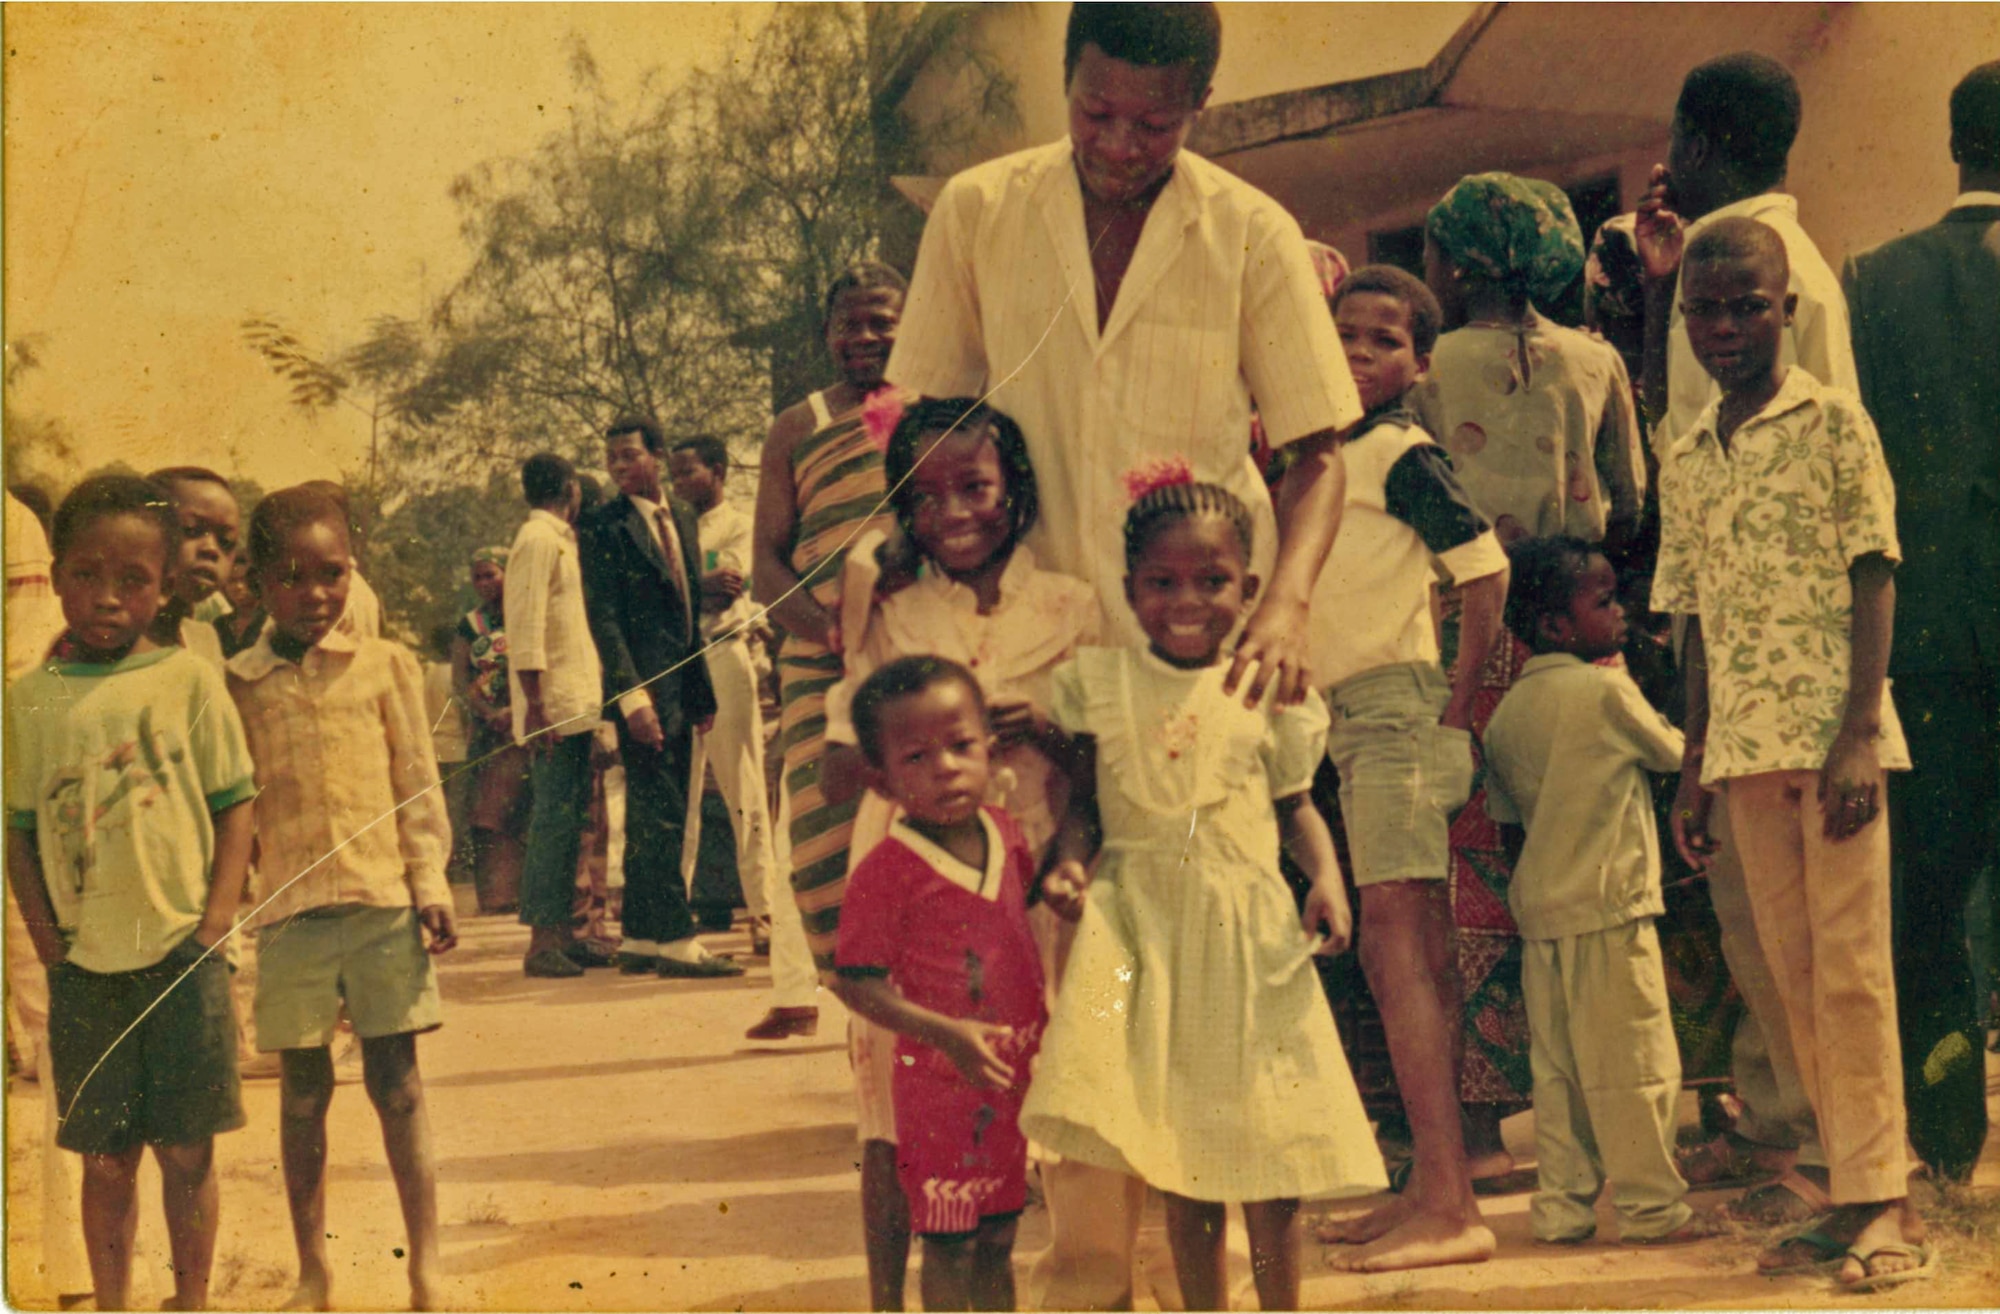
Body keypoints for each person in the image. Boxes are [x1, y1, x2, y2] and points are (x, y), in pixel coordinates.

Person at [886, 1, 1362, 712]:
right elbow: (928, 424)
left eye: (1154, 126)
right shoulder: (976, 210)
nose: (1118, 145)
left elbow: (1318, 456)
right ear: (1065, 79)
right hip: (1027, 654)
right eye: (1095, 112)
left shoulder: (1255, 234)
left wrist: (1286, 607)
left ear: (1201, 102)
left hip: (1203, 653)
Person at [1023, 475, 1385, 1312]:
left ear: (1250, 590)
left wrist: (1326, 877)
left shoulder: (1268, 690)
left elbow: (1295, 807)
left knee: (1271, 1153)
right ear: (1130, 591)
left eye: (1212, 582)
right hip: (1147, 938)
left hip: (1249, 938)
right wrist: (1069, 868)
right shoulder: (1102, 687)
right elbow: (1083, 809)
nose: (1187, 601)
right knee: (1184, 1156)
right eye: (1163, 583)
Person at [1654, 218, 1928, 1290]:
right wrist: (1690, 764)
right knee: (1791, 975)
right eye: (1702, 313)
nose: (1723, 329)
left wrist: (1858, 732)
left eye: (1743, 308)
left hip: (1830, 745)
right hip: (1738, 751)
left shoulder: (1832, 425)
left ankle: (1888, 1203)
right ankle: (1844, 1188)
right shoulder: (1685, 456)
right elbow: (1691, 624)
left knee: (1851, 971)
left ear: (1785, 311)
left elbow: (1874, 571)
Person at [818, 397, 1101, 1308]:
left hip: (1021, 881)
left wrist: (1041, 731)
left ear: (1014, 489)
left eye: (973, 486)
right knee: (893, 1106)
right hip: (912, 881)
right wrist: (929, 738)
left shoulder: (1069, 603)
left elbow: (1099, 756)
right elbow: (835, 761)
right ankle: (885, 1300)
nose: (953, 514)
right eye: (925, 497)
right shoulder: (891, 607)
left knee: (1008, 1086)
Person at [1634, 52, 1853, 1222]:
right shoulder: (1750, 264)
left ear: (1696, 135)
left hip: (1765, 636)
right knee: (1763, 915)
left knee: (1775, 921)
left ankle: (1816, 1152)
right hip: (1754, 627)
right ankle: (1787, 1124)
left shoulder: (1751, 279)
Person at [1416, 172, 1646, 1183]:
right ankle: (1607, 1104)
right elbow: (1629, 504)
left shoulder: (1424, 369)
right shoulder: (1593, 362)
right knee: (1588, 857)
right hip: (1571, 632)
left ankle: (1473, 1127)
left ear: (1455, 261)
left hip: (1455, 639)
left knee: (1467, 867)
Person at [5, 474, 258, 1312]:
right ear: (55, 571)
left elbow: (235, 807)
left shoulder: (189, 683)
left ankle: (190, 1302)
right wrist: (52, 950)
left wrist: (213, 927)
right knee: (106, 1160)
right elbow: (17, 834)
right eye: (84, 575)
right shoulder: (29, 701)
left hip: (184, 963)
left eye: (132, 581)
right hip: (86, 974)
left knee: (187, 1153)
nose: (106, 598)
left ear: (163, 589)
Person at [1306, 265, 1508, 1272]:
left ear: (1416, 364)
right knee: (1399, 955)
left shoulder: (1399, 451)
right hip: (1344, 717)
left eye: (1379, 341)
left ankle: (1453, 1205)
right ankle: (1429, 1187)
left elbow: (1484, 572)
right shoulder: (1320, 456)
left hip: (1393, 709)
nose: (1353, 353)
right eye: (1339, 333)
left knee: (1400, 954)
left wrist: (1453, 710)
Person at [225, 485, 458, 1311]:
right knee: (301, 1095)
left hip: (380, 903)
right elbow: (235, 817)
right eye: (292, 577)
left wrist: (429, 883)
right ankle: (313, 1272)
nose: (316, 594)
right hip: (290, 918)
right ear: (255, 584)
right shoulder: (238, 683)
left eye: (333, 573)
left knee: (398, 1086)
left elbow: (415, 785)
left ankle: (425, 1265)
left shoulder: (386, 666)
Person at [1841, 60, 2000, 1186]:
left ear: (1953, 145)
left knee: (1929, 901)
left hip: (1930, 644)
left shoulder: (1874, 280)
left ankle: (1946, 1141)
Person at [1482, 536, 1707, 1246]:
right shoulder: (1607, 689)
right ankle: (1650, 1210)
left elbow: (1508, 818)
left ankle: (1562, 1208)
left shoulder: (1508, 714)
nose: (1620, 613)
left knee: (1559, 1075)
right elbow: (1675, 752)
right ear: (1555, 625)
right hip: (1611, 907)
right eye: (1605, 601)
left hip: (1542, 914)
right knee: (1635, 1065)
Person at [832, 657, 1048, 1312]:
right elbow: (856, 983)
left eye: (960, 747)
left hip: (1006, 1084)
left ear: (990, 746)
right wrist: (944, 1032)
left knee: (999, 1236)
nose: (947, 768)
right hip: (937, 1089)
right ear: (883, 779)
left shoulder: (1007, 836)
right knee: (951, 1243)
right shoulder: (887, 870)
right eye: (918, 758)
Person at [753, 261, 907, 976]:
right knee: (823, 848)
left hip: (915, 643)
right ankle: (857, 998)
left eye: (882, 320)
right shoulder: (797, 426)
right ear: (827, 334)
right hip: (820, 655)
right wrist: (829, 632)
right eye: (851, 323)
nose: (866, 336)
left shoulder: (934, 409)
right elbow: (766, 568)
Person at [668, 435, 816, 1033]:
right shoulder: (671, 525)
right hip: (681, 656)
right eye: (674, 474)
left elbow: (726, 583)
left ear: (718, 471)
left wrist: (678, 589)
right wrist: (685, 589)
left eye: (689, 472)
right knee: (681, 793)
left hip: (726, 652)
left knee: (744, 787)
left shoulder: (736, 521)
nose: (680, 483)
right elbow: (683, 589)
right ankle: (673, 917)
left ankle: (763, 915)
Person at [579, 415, 732, 977]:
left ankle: (642, 937)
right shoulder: (602, 526)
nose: (618, 467)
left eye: (628, 455)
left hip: (682, 689)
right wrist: (632, 698)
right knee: (658, 813)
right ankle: (676, 937)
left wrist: (702, 693)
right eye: (611, 458)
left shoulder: (684, 520)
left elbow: (690, 617)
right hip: (641, 694)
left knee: (660, 810)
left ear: (657, 456)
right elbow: (606, 621)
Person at [502, 453, 609, 979]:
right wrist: (537, 705)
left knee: (572, 821)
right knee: (551, 823)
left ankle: (566, 934)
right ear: (570, 487)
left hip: (575, 703)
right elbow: (524, 627)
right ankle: (541, 940)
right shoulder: (538, 540)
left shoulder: (558, 539)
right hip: (553, 707)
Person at [454, 546, 528, 915]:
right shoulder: (470, 624)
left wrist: (518, 710)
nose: (484, 583)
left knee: (528, 807)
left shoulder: (527, 613)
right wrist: (487, 712)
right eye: (478, 576)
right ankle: (498, 896)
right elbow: (461, 680)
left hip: (529, 721)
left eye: (491, 574)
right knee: (489, 813)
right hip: (490, 730)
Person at [145, 466, 242, 668]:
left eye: (226, 541)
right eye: (190, 530)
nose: (211, 549)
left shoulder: (206, 641)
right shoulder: (106, 640)